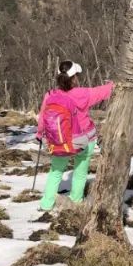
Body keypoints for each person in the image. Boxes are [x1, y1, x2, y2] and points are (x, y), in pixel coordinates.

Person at [36, 61, 113, 212]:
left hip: (59, 140)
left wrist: (40, 134)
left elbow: (42, 117)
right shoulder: (83, 94)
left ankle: (46, 204)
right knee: (80, 173)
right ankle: (76, 200)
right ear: (74, 78)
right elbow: (105, 91)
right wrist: (114, 83)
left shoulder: (50, 94)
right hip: (83, 140)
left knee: (56, 172)